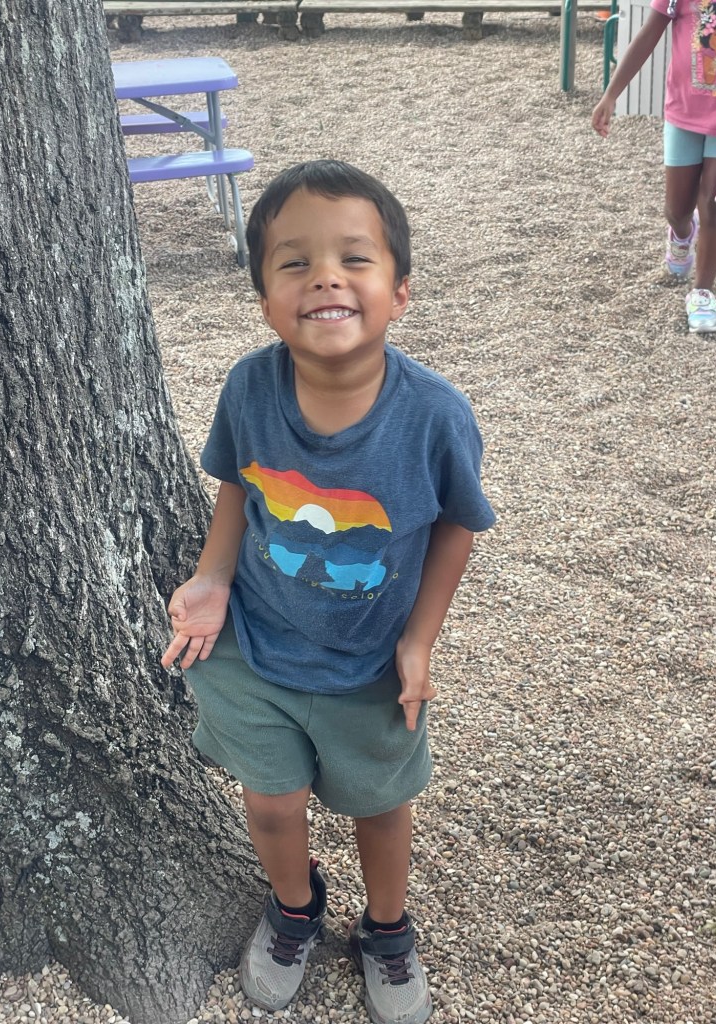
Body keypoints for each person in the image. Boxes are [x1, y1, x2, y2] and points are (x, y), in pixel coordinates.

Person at [161, 159, 495, 1024]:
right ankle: (293, 908)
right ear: (265, 301)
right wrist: (212, 576)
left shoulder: (435, 415)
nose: (325, 277)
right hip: (254, 648)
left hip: (370, 665)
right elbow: (237, 484)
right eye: (295, 262)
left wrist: (418, 642)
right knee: (270, 802)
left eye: (354, 258)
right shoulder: (250, 386)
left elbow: (458, 524)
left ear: (400, 292)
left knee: (380, 807)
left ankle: (387, 929)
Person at [592, 0, 716, 333]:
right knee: (676, 210)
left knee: (714, 206)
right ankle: (682, 234)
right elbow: (649, 33)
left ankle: (702, 292)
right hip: (683, 114)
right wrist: (611, 94)